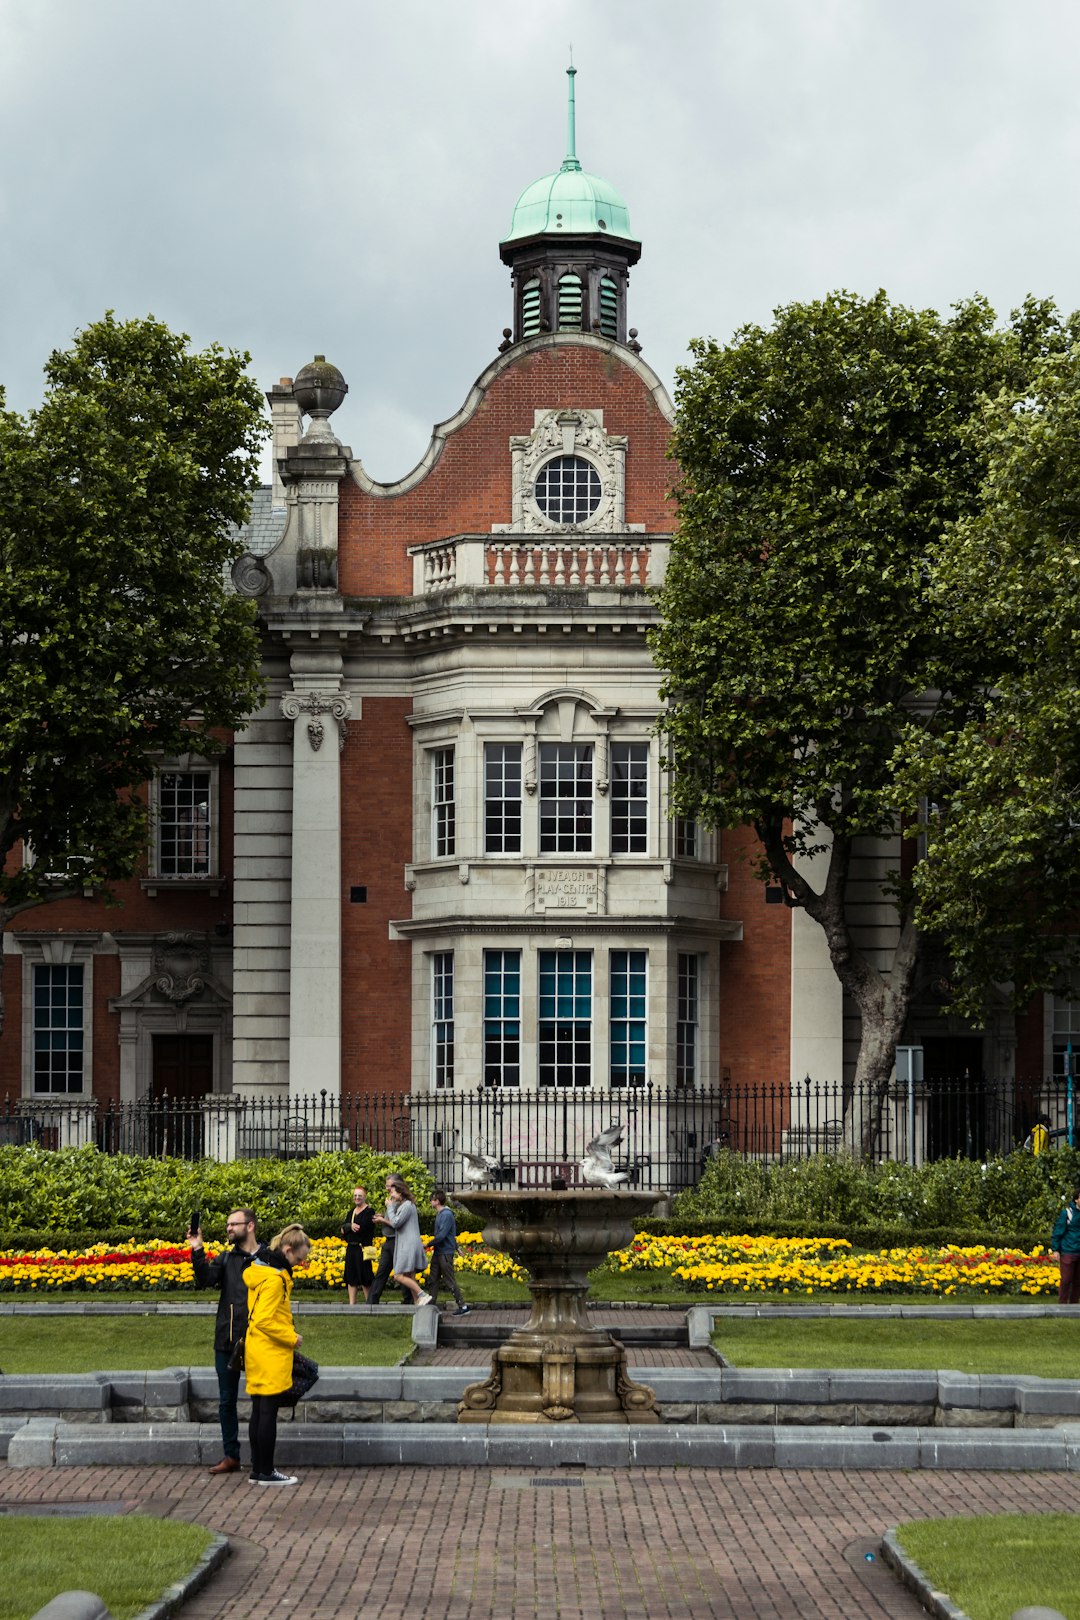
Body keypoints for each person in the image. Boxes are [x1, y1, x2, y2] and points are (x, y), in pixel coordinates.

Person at [189, 1207, 269, 1476]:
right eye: (227, 1224)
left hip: (260, 1340)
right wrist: (197, 1249)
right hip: (227, 1338)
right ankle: (231, 1455)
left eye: (233, 1224)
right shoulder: (226, 1258)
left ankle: (262, 1460)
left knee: (261, 1401)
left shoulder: (268, 1257)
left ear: (250, 1226)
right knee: (227, 1401)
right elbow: (205, 1280)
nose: (228, 1229)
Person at [243, 1223, 310, 1486]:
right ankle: (266, 1470)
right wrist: (292, 1338)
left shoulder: (260, 1271)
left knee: (259, 1410)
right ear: (287, 1250)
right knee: (267, 1412)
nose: (300, 1263)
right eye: (298, 1258)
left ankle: (258, 1469)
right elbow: (264, 1320)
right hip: (269, 1351)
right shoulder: (274, 1280)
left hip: (256, 1349)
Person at [373, 1175, 431, 1307]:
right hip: (407, 1243)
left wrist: (390, 1207)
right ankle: (418, 1301)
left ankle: (422, 1294)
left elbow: (395, 1223)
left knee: (398, 1275)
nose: (391, 1194)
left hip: (408, 1245)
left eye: (393, 1192)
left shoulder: (407, 1206)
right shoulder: (406, 1205)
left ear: (400, 1192)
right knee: (409, 1276)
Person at [367, 1174, 413, 1306]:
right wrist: (383, 1217)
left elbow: (396, 1223)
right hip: (389, 1241)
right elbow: (391, 1217)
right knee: (382, 1272)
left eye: (390, 1185)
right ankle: (371, 1302)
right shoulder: (392, 1200)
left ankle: (408, 1300)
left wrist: (383, 1220)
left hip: (396, 1241)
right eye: (386, 1185)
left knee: (400, 1272)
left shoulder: (402, 1202)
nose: (387, 1188)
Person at [426, 1188, 469, 1314]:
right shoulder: (441, 1214)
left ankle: (463, 1306)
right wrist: (457, 1247)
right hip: (439, 1252)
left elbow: (442, 1235)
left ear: (437, 1201)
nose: (430, 1202)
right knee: (433, 1278)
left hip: (444, 1253)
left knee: (449, 1279)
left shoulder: (446, 1215)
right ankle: (431, 1304)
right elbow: (450, 1235)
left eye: (432, 1200)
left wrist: (427, 1244)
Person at [340, 1185, 375, 1305]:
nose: (357, 1198)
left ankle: (369, 1304)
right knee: (351, 1277)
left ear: (365, 1196)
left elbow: (362, 1228)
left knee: (365, 1277)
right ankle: (352, 1304)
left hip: (363, 1248)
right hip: (351, 1247)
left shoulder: (369, 1212)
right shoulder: (351, 1212)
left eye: (359, 1195)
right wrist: (349, 1227)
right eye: (355, 1195)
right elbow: (343, 1229)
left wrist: (348, 1228)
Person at [1050, 1186, 1080, 1304]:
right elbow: (1058, 1231)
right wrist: (1055, 1250)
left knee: (1078, 1281)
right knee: (1066, 1279)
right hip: (1068, 1251)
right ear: (1076, 1200)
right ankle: (1062, 1306)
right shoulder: (1067, 1213)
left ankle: (1073, 1306)